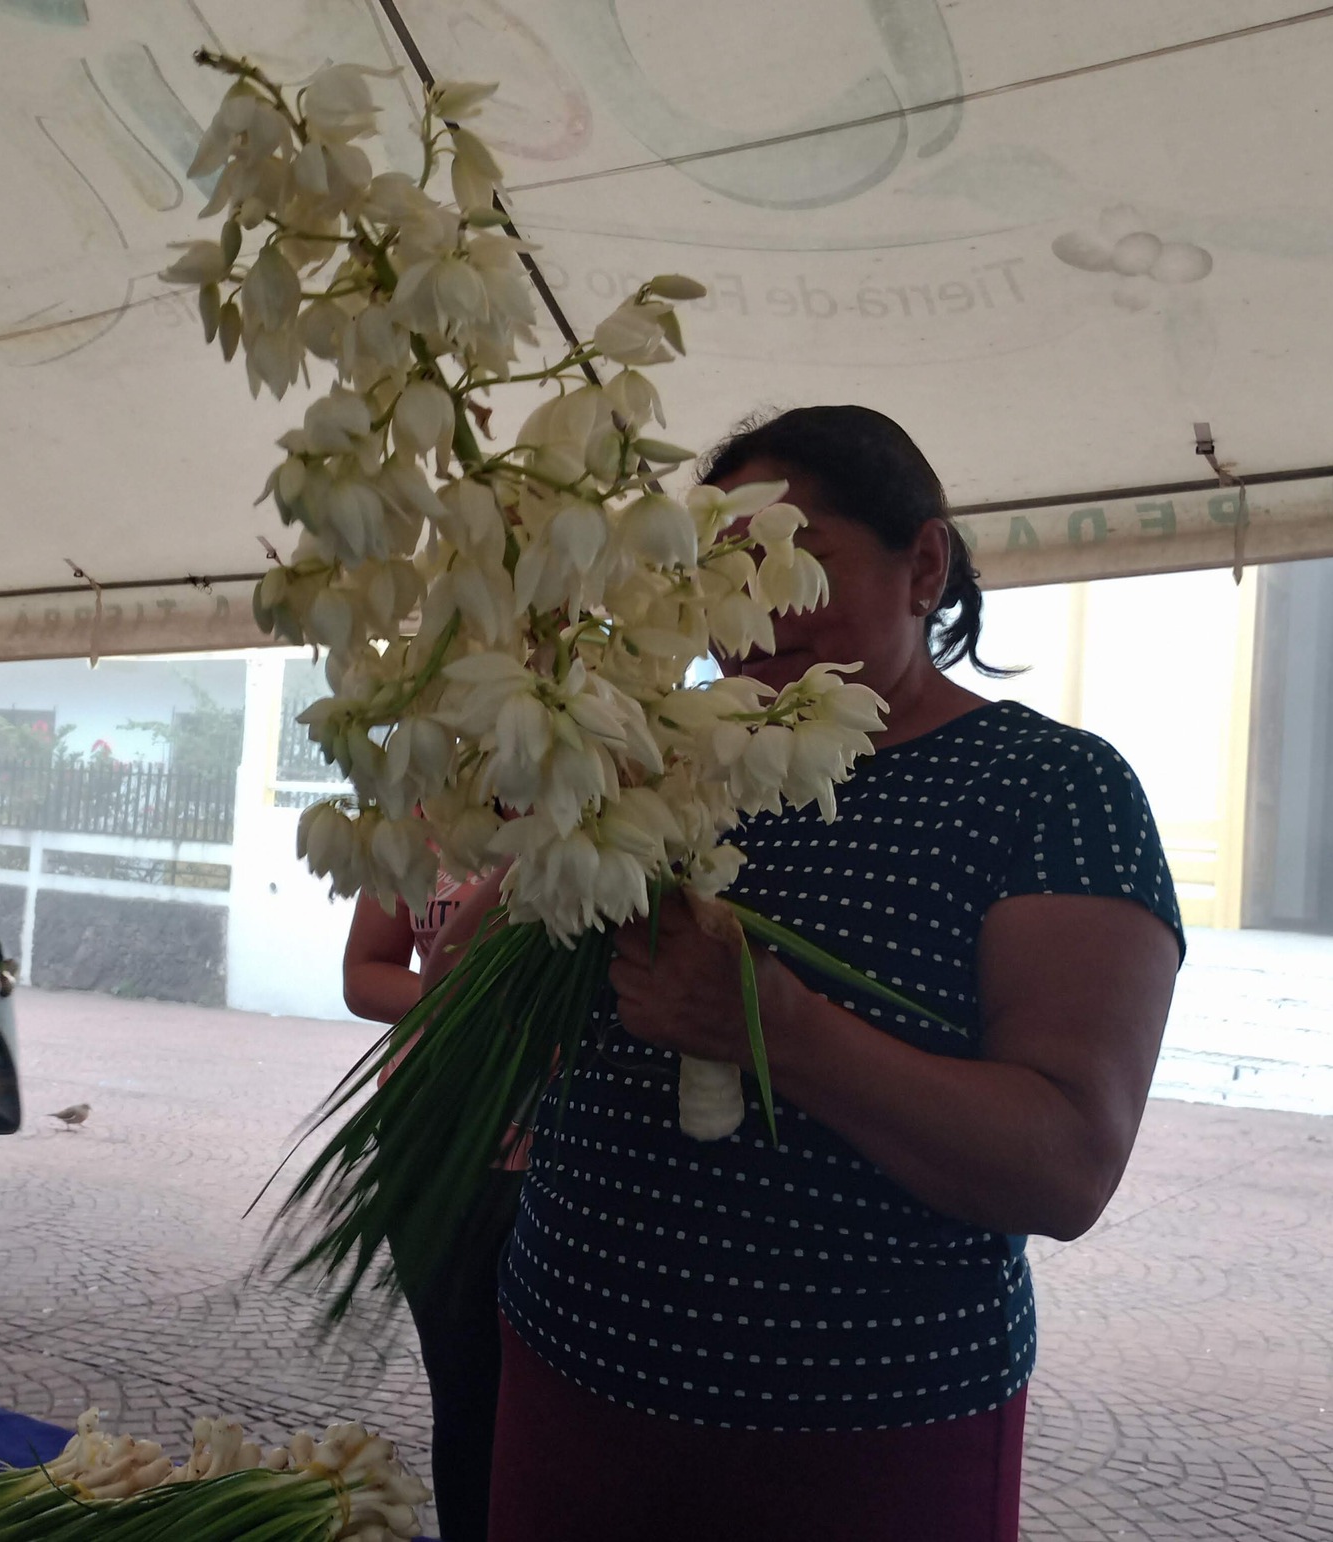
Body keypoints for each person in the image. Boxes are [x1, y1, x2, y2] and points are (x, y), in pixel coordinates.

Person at [487, 406, 1185, 1542]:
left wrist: (779, 1029)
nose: (747, 611)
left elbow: (1064, 1165)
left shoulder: (1046, 788)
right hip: (569, 1366)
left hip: (866, 1431)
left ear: (922, 564)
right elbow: (525, 1018)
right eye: (712, 579)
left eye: (789, 560)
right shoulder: (665, 761)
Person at [342, 866, 514, 1542]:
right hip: (433, 1135)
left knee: (555, 1398)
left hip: (574, 1142)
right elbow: (364, 973)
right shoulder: (419, 811)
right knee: (468, 1390)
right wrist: (474, 998)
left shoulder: (626, 791)